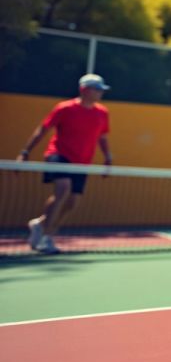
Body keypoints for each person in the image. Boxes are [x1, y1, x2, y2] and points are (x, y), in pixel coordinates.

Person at [16, 74, 113, 254]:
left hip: (82, 162)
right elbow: (43, 129)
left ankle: (40, 224)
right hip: (59, 156)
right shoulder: (64, 108)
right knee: (62, 190)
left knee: (72, 202)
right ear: (84, 90)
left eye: (101, 90)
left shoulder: (102, 112)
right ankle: (48, 237)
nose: (100, 93)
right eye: (97, 89)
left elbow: (102, 137)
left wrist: (108, 157)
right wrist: (25, 152)